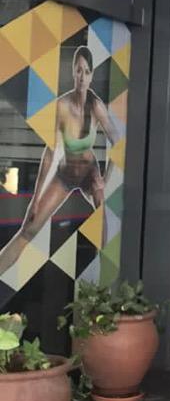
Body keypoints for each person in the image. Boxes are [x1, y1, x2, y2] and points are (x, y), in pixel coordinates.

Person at [0, 47, 120, 276]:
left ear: (92, 75)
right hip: (65, 174)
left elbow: (118, 141)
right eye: (78, 70)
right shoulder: (62, 105)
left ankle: (101, 283)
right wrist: (35, 200)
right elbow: (50, 152)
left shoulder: (96, 105)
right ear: (73, 72)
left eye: (87, 71)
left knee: (102, 223)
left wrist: (105, 179)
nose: (82, 76)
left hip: (89, 173)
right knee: (28, 228)